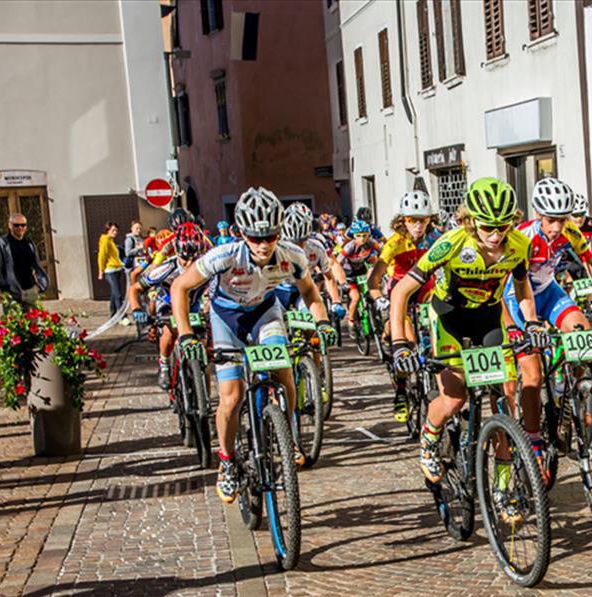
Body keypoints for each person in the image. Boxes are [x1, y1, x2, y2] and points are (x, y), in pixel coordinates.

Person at [171, 187, 336, 502]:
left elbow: (311, 293)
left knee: (283, 371)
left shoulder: (293, 255)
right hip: (226, 319)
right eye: (255, 238)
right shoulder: (224, 255)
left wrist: (323, 322)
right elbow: (180, 286)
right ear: (242, 234)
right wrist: (186, 334)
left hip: (264, 313)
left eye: (270, 236)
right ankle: (227, 461)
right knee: (231, 399)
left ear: (279, 231)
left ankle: (286, 435)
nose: (263, 244)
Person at [389, 178, 542, 483]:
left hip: (488, 317)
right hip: (449, 318)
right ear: (471, 221)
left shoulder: (519, 245)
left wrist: (533, 323)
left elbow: (523, 290)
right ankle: (429, 440)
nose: (496, 235)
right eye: (488, 227)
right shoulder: (451, 243)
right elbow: (401, 292)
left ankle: (502, 488)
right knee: (455, 399)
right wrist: (399, 344)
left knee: (504, 405)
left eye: (504, 227)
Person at [503, 177, 592, 472]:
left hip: (548, 292)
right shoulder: (521, 238)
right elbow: (504, 286)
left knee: (581, 329)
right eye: (551, 220)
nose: (556, 227)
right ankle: (534, 443)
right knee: (532, 373)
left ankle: (578, 391)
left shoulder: (571, 234)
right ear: (539, 215)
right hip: (518, 297)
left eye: (562, 219)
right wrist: (522, 326)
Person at [370, 189, 441, 423]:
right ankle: (401, 390)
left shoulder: (436, 239)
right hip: (401, 293)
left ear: (430, 219)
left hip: (426, 292)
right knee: (407, 343)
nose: (418, 226)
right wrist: (378, 297)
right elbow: (375, 277)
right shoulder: (395, 243)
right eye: (412, 220)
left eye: (423, 220)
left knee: (438, 337)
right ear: (403, 220)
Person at [128, 222, 208, 389]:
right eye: (184, 258)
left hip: (193, 303)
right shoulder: (167, 268)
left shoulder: (207, 266)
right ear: (177, 252)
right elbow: (134, 289)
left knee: (203, 343)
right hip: (168, 302)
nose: (189, 263)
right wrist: (136, 309)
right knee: (169, 333)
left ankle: (203, 392)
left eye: (195, 258)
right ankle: (164, 365)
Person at [0, 213, 48, 305]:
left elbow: (36, 265)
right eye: (16, 225)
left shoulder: (29, 243)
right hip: (12, 294)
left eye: (23, 225)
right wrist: (7, 289)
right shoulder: (3, 244)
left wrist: (40, 286)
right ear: (10, 225)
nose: (20, 228)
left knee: (33, 319)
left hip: (31, 291)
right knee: (14, 319)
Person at [97, 222, 128, 323]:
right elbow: (102, 256)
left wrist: (121, 264)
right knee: (118, 294)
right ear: (107, 231)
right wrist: (101, 270)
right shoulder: (105, 240)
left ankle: (113, 313)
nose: (115, 232)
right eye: (113, 230)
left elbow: (114, 256)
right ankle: (121, 317)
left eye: (116, 230)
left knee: (114, 294)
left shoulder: (111, 241)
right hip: (110, 270)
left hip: (117, 268)